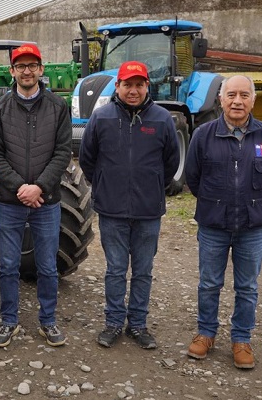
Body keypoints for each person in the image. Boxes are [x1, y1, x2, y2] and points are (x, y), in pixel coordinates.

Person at [78, 61, 180, 350]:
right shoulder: (101, 118)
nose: (133, 90)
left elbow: (171, 161)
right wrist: (104, 184)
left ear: (147, 86)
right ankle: (113, 323)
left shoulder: (162, 119)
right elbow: (87, 159)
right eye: (127, 84)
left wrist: (152, 185)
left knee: (144, 270)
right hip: (112, 210)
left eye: (139, 84)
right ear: (117, 86)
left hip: (148, 211)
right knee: (115, 269)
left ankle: (138, 324)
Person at [184, 75, 262, 369]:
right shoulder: (203, 134)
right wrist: (216, 202)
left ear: (253, 100)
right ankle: (205, 333)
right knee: (209, 283)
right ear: (221, 99)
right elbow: (193, 177)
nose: (237, 101)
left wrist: (251, 202)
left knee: (247, 287)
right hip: (213, 223)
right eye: (231, 95)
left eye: (244, 95)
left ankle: (241, 339)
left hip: (252, 226)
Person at [0, 43, 72, 348]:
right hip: (10, 201)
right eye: (20, 66)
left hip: (46, 201)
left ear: (41, 69)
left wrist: (40, 187)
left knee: (47, 265)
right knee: (8, 265)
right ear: (12, 71)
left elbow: (63, 153)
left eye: (31, 65)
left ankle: (48, 321)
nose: (26, 71)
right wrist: (21, 187)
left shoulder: (58, 107)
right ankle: (9, 320)